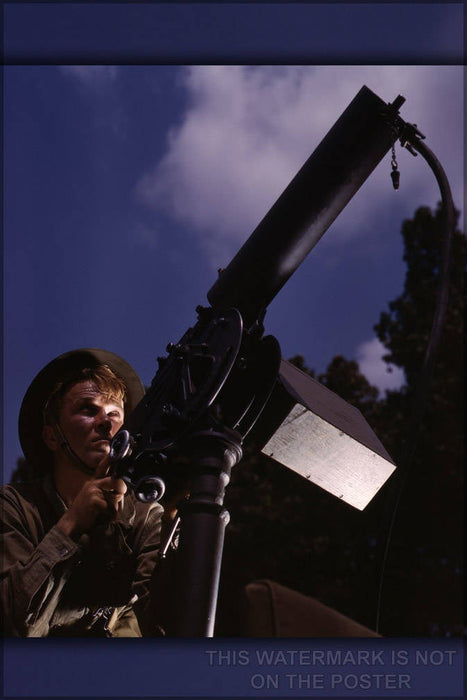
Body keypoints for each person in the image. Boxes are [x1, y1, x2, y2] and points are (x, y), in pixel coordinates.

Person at [0, 348, 177, 637]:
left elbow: (165, 623)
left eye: (114, 413)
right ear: (52, 435)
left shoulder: (146, 514)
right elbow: (14, 624)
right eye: (87, 409)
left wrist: (177, 519)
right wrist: (70, 525)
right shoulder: (15, 508)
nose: (106, 422)